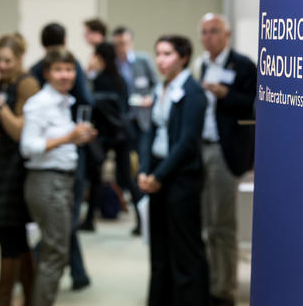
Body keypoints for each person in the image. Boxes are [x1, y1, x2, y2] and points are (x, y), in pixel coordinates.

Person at [20, 48, 96, 306]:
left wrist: (77, 137)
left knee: (55, 253)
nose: (65, 75)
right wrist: (68, 138)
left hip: (61, 180)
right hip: (47, 181)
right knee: (55, 255)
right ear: (47, 73)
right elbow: (28, 146)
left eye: (70, 69)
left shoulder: (65, 102)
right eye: (59, 70)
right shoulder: (40, 103)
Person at [138, 35, 209, 306]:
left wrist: (159, 176)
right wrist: (145, 170)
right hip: (158, 173)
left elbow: (187, 143)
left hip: (181, 178)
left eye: (167, 54)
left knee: (185, 251)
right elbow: (151, 132)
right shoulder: (161, 88)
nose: (160, 60)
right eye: (158, 53)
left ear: (183, 57)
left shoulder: (194, 93)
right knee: (160, 249)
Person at [194, 13, 256, 306]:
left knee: (223, 224)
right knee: (207, 223)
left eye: (213, 31)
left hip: (224, 150)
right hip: (200, 147)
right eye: (204, 32)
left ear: (227, 34)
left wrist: (225, 94)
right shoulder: (201, 64)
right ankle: (210, 283)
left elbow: (253, 105)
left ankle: (226, 289)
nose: (208, 37)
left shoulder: (242, 65)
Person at [0, 33, 40, 306]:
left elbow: (19, 131)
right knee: (16, 239)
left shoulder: (27, 84)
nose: (1, 66)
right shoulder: (2, 83)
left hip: (19, 168)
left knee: (9, 234)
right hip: (4, 164)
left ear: (19, 59)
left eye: (7, 60)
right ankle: (27, 297)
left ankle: (4, 299)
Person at [79, 42, 143, 235]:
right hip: (122, 133)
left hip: (105, 135)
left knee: (96, 176)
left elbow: (93, 106)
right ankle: (141, 221)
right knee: (127, 177)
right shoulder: (120, 79)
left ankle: (90, 219)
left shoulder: (99, 80)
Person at [112, 26, 158, 163]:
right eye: (118, 44)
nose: (121, 47)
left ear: (131, 42)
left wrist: (151, 97)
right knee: (124, 157)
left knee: (143, 155)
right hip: (123, 118)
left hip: (142, 115)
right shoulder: (113, 65)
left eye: (124, 43)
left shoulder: (142, 60)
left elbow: (156, 84)